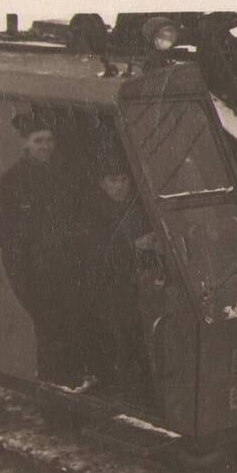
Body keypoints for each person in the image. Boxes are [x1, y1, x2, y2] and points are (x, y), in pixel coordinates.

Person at [0, 110, 94, 386]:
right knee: (50, 341)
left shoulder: (67, 174)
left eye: (49, 140)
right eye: (38, 140)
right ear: (25, 144)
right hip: (38, 277)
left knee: (74, 335)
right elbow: (9, 236)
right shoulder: (13, 180)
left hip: (70, 272)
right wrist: (24, 283)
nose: (45, 146)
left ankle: (75, 397)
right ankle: (54, 407)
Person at [85, 146, 155, 404]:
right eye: (113, 180)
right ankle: (125, 398)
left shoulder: (138, 209)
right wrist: (132, 249)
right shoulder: (94, 213)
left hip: (139, 288)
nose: (119, 186)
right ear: (102, 184)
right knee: (120, 344)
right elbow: (97, 255)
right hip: (110, 291)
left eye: (123, 179)